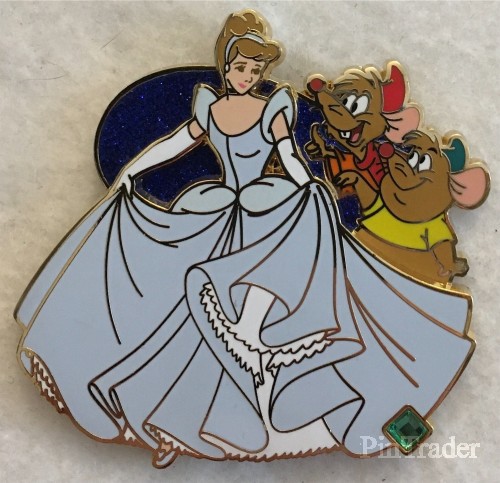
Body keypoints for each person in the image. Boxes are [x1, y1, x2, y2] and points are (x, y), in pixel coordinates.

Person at [15, 10, 474, 467]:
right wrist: (131, 172)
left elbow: (288, 155)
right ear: (226, 64)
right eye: (240, 67)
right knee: (177, 312)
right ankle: (160, 403)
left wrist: (309, 186)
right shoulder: (209, 109)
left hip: (262, 201)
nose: (247, 76)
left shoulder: (273, 108)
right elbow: (175, 144)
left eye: (255, 70)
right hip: (216, 206)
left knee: (290, 246)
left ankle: (245, 342)